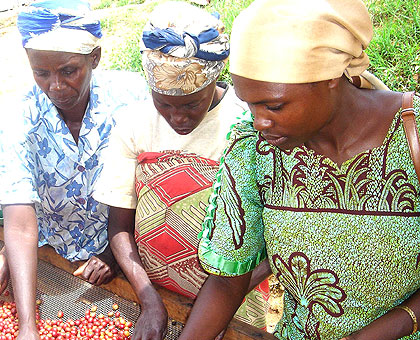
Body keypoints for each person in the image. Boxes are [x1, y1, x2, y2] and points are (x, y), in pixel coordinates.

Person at [177, 0, 420, 339]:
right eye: (249, 103)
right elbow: (225, 285)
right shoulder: (254, 149)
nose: (259, 121)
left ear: (330, 79)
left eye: (274, 105)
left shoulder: (412, 137)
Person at [94, 2, 271, 339]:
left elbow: (274, 240)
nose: (178, 118)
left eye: (191, 104)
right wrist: (149, 300)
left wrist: (221, 305)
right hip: (153, 289)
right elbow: (119, 227)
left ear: (214, 79)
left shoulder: (249, 126)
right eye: (164, 104)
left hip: (239, 299)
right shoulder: (134, 124)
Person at [0, 1, 148, 339]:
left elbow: (153, 187)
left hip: (128, 247)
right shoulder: (16, 117)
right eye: (42, 73)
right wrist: (27, 327)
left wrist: (114, 251)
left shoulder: (131, 98)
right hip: (54, 246)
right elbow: (22, 225)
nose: (55, 86)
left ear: (94, 58)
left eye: (68, 70)